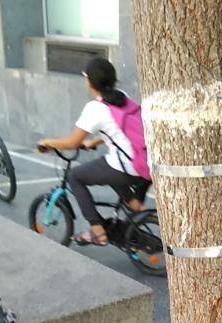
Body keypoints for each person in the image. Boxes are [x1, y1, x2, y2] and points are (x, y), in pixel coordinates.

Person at [38, 58, 152, 246]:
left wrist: (48, 142)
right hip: (142, 160)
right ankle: (134, 205)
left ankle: (99, 234)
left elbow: (73, 142)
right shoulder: (121, 96)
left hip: (128, 166)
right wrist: (97, 141)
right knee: (106, 166)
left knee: (75, 176)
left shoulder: (95, 108)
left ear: (90, 82)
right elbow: (120, 128)